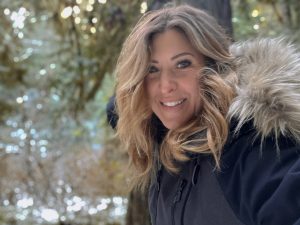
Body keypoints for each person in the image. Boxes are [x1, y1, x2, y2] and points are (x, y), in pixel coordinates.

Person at [108, 4, 300, 225]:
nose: (165, 86)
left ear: (214, 69)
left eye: (183, 64)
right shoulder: (162, 140)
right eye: (152, 69)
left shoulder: (249, 146)